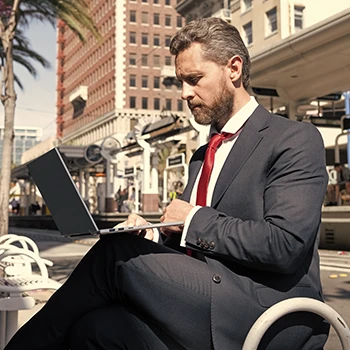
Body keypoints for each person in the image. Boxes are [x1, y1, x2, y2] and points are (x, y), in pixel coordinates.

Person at [5, 18, 329, 350]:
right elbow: (191, 242)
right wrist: (154, 234)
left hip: (264, 310)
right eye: (181, 82)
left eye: (195, 79)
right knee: (93, 328)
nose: (186, 93)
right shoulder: (203, 155)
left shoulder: (294, 139)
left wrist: (192, 220)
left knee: (114, 255)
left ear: (234, 69)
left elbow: (284, 244)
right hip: (201, 303)